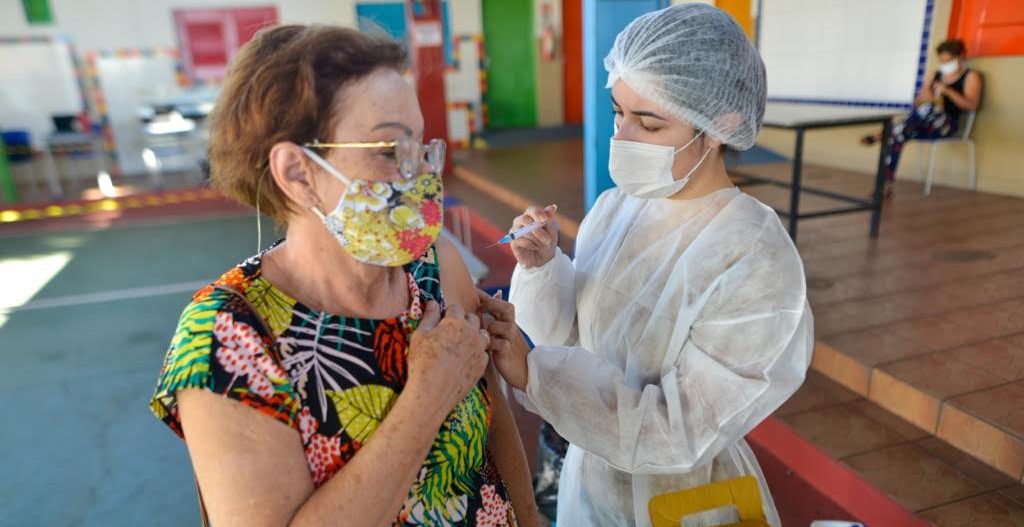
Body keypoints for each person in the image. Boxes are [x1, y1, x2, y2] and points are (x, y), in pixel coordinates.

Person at [148, 24, 538, 527]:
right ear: (297, 172)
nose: (419, 173)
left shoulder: (436, 266)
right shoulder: (227, 337)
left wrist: (528, 516)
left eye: (419, 146)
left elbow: (495, 428)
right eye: (387, 151)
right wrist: (426, 398)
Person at [477, 5, 813, 526]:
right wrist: (545, 268)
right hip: (592, 476)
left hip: (687, 498)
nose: (625, 137)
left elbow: (681, 432)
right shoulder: (620, 207)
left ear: (719, 125)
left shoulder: (752, 255)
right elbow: (574, 337)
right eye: (619, 113)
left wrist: (536, 374)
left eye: (650, 123)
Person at [861, 38, 983, 196]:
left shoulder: (971, 76)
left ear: (961, 57)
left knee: (926, 110)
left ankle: (882, 133)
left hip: (947, 127)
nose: (945, 65)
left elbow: (972, 106)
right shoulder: (935, 74)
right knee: (897, 135)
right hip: (923, 124)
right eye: (942, 61)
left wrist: (948, 92)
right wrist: (924, 97)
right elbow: (918, 103)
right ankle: (885, 186)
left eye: (949, 61)